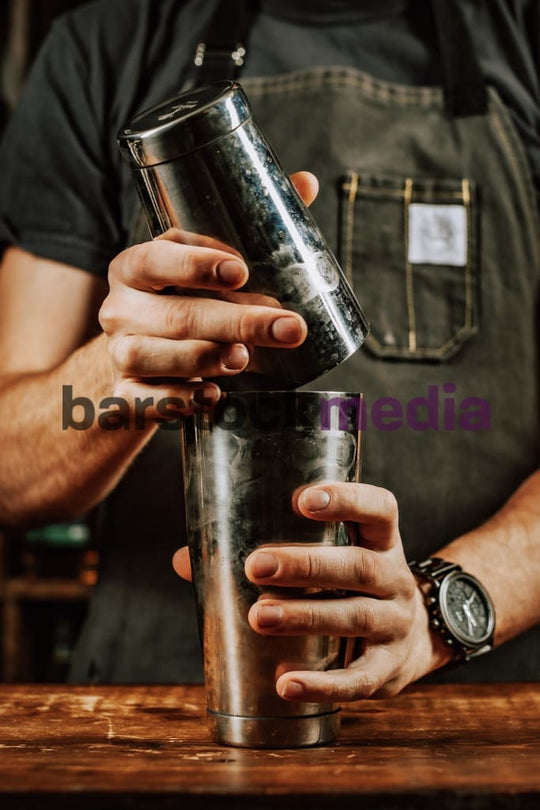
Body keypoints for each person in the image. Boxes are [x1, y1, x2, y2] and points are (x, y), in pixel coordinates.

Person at [0, 0, 539, 698]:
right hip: (164, 710)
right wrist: (121, 376)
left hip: (486, 713)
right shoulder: (104, 47)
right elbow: (10, 476)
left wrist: (443, 611)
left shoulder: (523, 37)